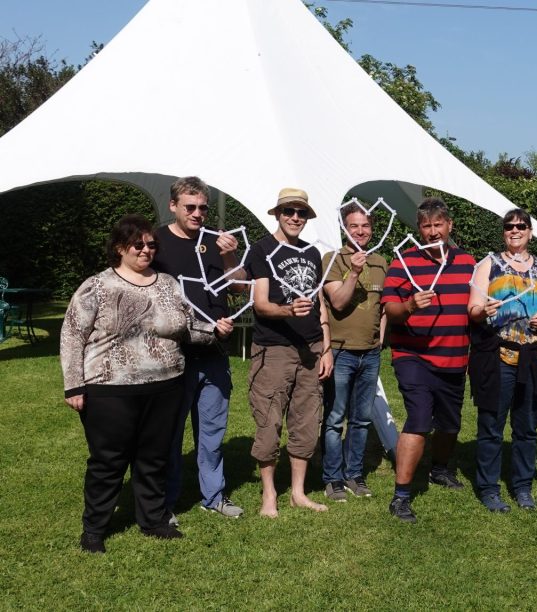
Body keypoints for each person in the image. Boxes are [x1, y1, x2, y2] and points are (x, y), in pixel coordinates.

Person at [61, 214, 232, 553]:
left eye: (151, 244)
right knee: (108, 461)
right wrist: (74, 385)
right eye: (138, 244)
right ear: (120, 247)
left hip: (165, 385)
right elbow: (72, 335)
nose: (145, 250)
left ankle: (153, 519)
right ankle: (94, 528)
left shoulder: (167, 283)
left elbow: (184, 326)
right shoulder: (97, 286)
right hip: (109, 389)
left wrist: (213, 331)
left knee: (153, 458)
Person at [151, 176, 245, 522]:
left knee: (212, 432)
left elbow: (238, 286)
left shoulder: (214, 241)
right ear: (173, 205)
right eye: (189, 207)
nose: (197, 213)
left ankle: (214, 496)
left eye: (202, 208)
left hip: (215, 353)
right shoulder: (156, 242)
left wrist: (230, 253)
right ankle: (165, 503)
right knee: (170, 434)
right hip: (174, 354)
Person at [381, 197, 476, 523]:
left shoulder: (467, 263)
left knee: (450, 425)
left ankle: (439, 470)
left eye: (438, 225)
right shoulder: (404, 262)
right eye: (426, 226)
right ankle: (401, 496)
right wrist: (409, 306)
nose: (433, 232)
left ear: (449, 225)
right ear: (419, 229)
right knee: (420, 419)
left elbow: (475, 305)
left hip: (453, 358)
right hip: (413, 356)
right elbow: (390, 310)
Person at [468, 209, 537, 512]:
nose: (515, 230)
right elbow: (472, 308)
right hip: (500, 355)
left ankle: (522, 487)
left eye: (521, 226)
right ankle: (489, 487)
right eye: (509, 226)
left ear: (530, 232)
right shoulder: (488, 264)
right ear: (503, 232)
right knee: (492, 424)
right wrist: (485, 309)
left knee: (527, 426)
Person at [247, 188, 333, 517]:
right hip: (274, 349)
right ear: (278, 214)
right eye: (289, 211)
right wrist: (287, 311)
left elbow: (320, 302)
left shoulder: (311, 252)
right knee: (268, 422)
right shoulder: (262, 250)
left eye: (301, 213)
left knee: (307, 421)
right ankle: (269, 494)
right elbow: (262, 304)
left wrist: (325, 347)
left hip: (311, 348)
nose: (295, 217)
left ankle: (297, 492)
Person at [320, 201, 390, 501]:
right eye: (354, 226)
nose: (360, 231)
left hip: (370, 352)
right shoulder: (333, 259)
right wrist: (353, 272)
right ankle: (332, 477)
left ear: (372, 229)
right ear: (345, 229)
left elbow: (384, 307)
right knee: (335, 418)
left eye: (365, 226)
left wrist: (379, 339)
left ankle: (355, 474)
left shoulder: (382, 261)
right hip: (340, 351)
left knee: (361, 418)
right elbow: (337, 302)